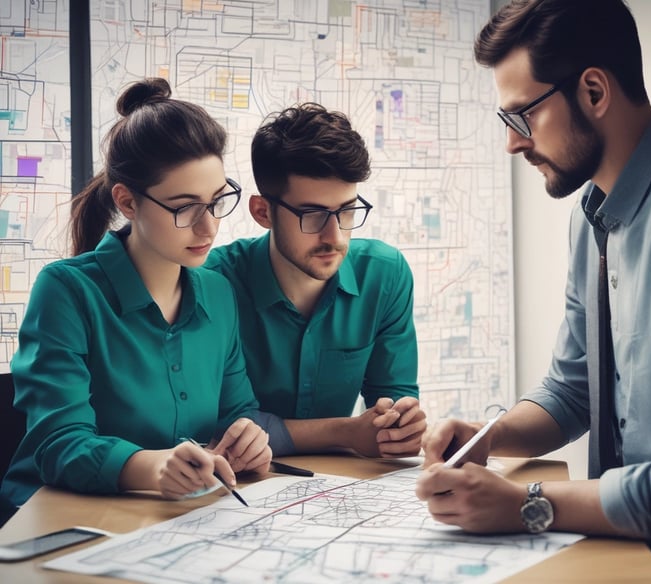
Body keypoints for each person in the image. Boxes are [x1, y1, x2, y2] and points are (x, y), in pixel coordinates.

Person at [415, 1, 651, 583]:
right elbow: (573, 387)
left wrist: (527, 503)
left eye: (521, 117)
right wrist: (488, 437)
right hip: (629, 541)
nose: (511, 144)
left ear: (595, 92)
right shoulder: (592, 210)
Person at [0, 78, 275, 509]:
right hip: (57, 518)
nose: (209, 227)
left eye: (217, 200)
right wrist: (155, 468)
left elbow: (239, 411)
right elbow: (57, 444)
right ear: (128, 203)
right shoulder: (66, 291)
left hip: (179, 514)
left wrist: (248, 438)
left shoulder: (219, 292)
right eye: (185, 208)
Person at [205, 103, 426, 458]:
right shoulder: (212, 284)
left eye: (347, 210)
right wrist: (346, 432)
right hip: (239, 486)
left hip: (341, 488)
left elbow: (393, 398)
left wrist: (399, 426)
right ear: (263, 212)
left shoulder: (385, 274)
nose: (334, 236)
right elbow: (220, 424)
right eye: (312, 214)